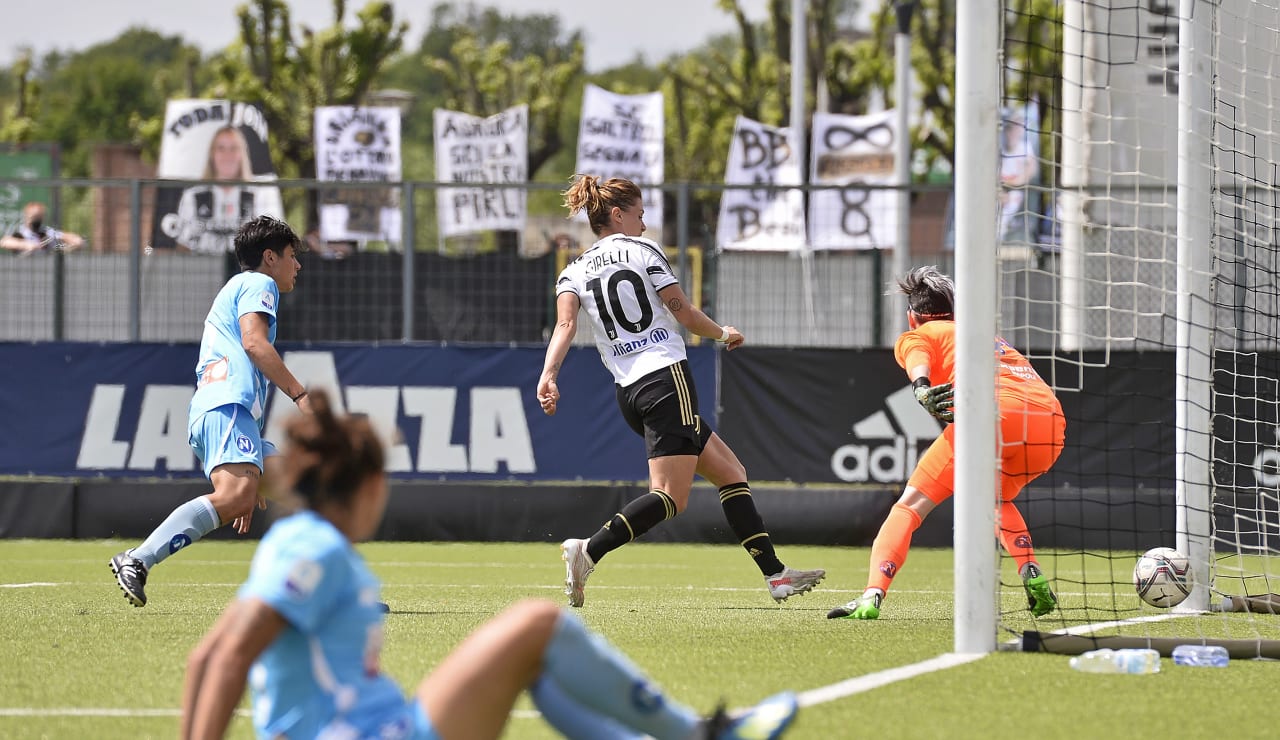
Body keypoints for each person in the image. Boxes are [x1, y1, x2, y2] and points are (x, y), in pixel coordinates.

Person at [181, 390, 800, 740]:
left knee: (541, 663)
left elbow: (207, 655)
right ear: (366, 488)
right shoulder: (311, 548)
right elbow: (229, 656)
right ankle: (700, 736)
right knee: (535, 625)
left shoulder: (304, 543)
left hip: (393, 724)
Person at [538, 175, 825, 608]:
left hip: (629, 391)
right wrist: (723, 333)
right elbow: (685, 313)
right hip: (665, 378)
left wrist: (548, 375)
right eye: (639, 214)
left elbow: (565, 326)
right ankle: (589, 550)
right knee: (670, 498)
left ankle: (776, 575)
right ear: (618, 215)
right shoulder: (644, 251)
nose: (644, 224)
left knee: (731, 471)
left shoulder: (573, 270)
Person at [827, 266, 1066, 620]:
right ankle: (1030, 572)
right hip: (1051, 424)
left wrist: (922, 389)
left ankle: (871, 596)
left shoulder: (918, 335)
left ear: (913, 316)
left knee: (908, 507)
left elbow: (917, 360)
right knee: (995, 498)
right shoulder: (985, 335)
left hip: (995, 414)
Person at [110, 215, 308, 608]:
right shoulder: (258, 282)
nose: (297, 265)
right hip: (225, 405)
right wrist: (301, 396)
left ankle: (328, 596)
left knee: (305, 490)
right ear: (269, 257)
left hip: (225, 411)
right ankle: (137, 559)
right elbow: (254, 343)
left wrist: (247, 482)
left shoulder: (240, 285)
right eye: (291, 256)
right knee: (237, 495)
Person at [174, 125, 283, 254]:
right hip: (204, 269)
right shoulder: (193, 195)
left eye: (234, 148)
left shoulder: (261, 193)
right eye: (221, 148)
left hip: (246, 270)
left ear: (242, 154)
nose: (227, 155)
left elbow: (275, 240)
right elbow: (183, 245)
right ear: (212, 154)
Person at [0, 201, 84, 253]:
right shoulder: (20, 232)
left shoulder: (47, 232)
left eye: (39, 217)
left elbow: (75, 240)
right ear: (26, 216)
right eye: (34, 217)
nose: (36, 220)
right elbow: (4, 242)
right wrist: (25, 245)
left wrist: (66, 246)